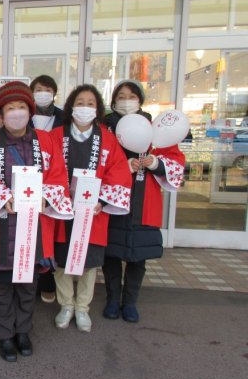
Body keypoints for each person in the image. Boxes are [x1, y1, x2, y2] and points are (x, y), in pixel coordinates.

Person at [0, 81, 73, 362]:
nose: (16, 113)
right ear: (1, 114)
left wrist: (45, 197)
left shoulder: (47, 141)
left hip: (34, 224)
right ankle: (4, 335)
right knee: (1, 286)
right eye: (10, 108)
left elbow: (58, 174)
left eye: (21, 107)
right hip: (0, 224)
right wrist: (2, 197)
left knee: (28, 284)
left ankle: (23, 331)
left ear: (30, 111)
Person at [50, 85, 132, 333]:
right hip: (62, 209)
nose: (84, 107)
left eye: (90, 103)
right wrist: (56, 196)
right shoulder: (55, 136)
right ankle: (66, 304)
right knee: (62, 259)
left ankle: (82, 307)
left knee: (89, 261)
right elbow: (45, 167)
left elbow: (118, 171)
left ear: (97, 109)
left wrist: (103, 201)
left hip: (93, 210)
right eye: (80, 102)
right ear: (71, 106)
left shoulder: (107, 138)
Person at [102, 80, 185, 323]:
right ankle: (112, 299)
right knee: (111, 253)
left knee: (139, 254)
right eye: (121, 96)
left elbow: (175, 160)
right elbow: (97, 163)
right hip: (112, 198)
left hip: (144, 200)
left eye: (132, 96)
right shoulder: (105, 129)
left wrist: (156, 163)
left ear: (140, 100)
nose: (126, 101)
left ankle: (130, 302)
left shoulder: (155, 128)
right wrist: (123, 166)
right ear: (113, 101)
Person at [29, 75, 65, 304]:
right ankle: (29, 279)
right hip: (26, 179)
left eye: (48, 89)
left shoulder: (63, 117)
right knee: (29, 231)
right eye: (39, 89)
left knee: (49, 232)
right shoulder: (22, 114)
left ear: (54, 93)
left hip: (54, 177)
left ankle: (47, 280)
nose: (43, 93)